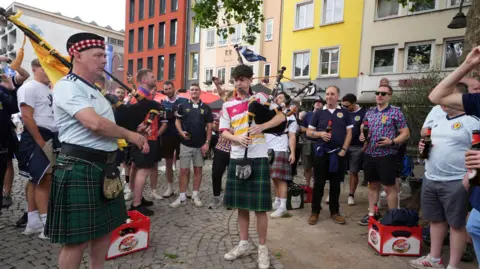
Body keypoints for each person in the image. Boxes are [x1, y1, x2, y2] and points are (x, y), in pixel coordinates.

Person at [45, 32, 149, 269]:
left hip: (105, 168)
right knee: (76, 241)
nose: (104, 60)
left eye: (104, 55)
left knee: (104, 231)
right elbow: (94, 123)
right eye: (98, 55)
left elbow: (108, 124)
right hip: (80, 167)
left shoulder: (94, 91)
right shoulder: (67, 86)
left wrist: (135, 125)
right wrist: (130, 135)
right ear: (77, 55)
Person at [219, 65, 286, 269]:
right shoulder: (227, 105)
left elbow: (281, 117)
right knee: (241, 206)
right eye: (236, 79)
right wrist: (235, 137)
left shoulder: (260, 98)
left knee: (260, 208)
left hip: (258, 157)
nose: (239, 82)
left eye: (243, 79)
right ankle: (243, 244)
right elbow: (223, 131)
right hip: (237, 157)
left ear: (250, 80)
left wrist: (262, 126)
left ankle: (262, 250)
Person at [408, 83, 471, 269]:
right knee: (436, 220)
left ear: (461, 99)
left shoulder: (473, 120)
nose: (443, 99)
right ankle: (434, 259)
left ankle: (453, 266)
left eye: (449, 96)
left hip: (457, 180)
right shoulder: (438, 118)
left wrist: (471, 179)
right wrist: (423, 149)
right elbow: (428, 142)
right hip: (432, 177)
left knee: (457, 225)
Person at [427, 46, 480, 261]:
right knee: (474, 225)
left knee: (463, 224)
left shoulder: (470, 119)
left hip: (456, 179)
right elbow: (436, 96)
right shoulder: (477, 102)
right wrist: (468, 65)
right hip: (437, 178)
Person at [16, 59, 57, 239]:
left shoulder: (47, 89)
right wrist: (40, 141)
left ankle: (33, 223)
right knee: (44, 180)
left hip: (47, 136)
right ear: (34, 69)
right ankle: (46, 225)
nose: (49, 70)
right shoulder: (29, 87)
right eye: (44, 67)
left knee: (36, 180)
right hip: (38, 137)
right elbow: (26, 116)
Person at [357, 85, 410, 226]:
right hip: (370, 154)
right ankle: (372, 214)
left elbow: (405, 133)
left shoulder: (395, 112)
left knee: (389, 187)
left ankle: (393, 217)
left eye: (383, 93)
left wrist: (392, 141)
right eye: (378, 93)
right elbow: (363, 127)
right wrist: (362, 135)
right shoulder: (369, 112)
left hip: (387, 155)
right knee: (372, 186)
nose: (380, 95)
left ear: (389, 96)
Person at [306, 86, 352, 225]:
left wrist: (344, 149)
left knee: (335, 184)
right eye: (327, 94)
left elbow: (349, 133)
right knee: (318, 183)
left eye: (332, 94)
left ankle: (335, 211)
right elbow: (309, 132)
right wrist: (320, 134)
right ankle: (315, 211)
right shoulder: (319, 113)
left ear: (338, 96)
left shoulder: (344, 113)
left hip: (338, 153)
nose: (329, 96)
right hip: (321, 153)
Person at [170, 83, 213, 208]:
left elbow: (209, 128)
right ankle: (182, 196)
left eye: (196, 90)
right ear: (189, 92)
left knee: (198, 170)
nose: (194, 91)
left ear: (200, 92)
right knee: (183, 170)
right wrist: (181, 132)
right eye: (192, 90)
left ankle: (195, 195)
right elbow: (177, 122)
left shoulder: (206, 108)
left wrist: (207, 143)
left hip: (200, 145)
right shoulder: (182, 106)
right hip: (185, 144)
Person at [128, 69, 164, 216]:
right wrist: (145, 141)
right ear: (143, 80)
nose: (155, 78)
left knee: (139, 169)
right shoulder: (138, 97)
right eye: (152, 77)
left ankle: (138, 198)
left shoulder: (146, 96)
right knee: (143, 170)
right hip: (145, 139)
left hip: (150, 138)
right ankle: (136, 204)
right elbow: (134, 121)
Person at [1, 55, 30, 210]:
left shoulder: (10, 79)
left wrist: (13, 64)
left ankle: (6, 194)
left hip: (5, 128)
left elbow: (25, 75)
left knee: (6, 161)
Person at [266, 92, 298, 218]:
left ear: (285, 101)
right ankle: (277, 201)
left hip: (280, 149)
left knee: (281, 179)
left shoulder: (290, 117)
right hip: (268, 149)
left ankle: (283, 207)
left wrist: (293, 153)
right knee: (274, 177)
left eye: (280, 97)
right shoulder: (272, 113)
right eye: (277, 97)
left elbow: (292, 136)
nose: (277, 99)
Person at [160, 81, 189, 198]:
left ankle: (187, 188)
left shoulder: (183, 101)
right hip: (167, 135)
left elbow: (187, 117)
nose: (168, 91)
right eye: (166, 89)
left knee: (185, 163)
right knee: (168, 163)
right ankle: (170, 187)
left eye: (169, 88)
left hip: (181, 134)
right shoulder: (162, 103)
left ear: (174, 88)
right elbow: (162, 119)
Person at [208, 90, 233, 210]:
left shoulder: (242, 113)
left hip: (235, 149)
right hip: (221, 148)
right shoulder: (222, 112)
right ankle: (216, 197)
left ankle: (229, 199)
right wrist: (214, 126)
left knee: (232, 176)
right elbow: (218, 129)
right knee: (216, 173)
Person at [341, 93, 366, 206]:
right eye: (343, 106)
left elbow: (366, 129)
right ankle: (334, 193)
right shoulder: (342, 112)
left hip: (356, 147)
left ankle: (351, 195)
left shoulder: (363, 113)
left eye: (347, 106)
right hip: (342, 145)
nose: (345, 108)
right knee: (338, 170)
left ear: (354, 103)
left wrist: (364, 138)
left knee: (353, 171)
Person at [298, 98, 324, 187]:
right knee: (307, 166)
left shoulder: (324, 115)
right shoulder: (308, 115)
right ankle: (307, 186)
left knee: (318, 167)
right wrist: (311, 130)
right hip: (307, 142)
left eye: (320, 102)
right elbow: (301, 128)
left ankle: (317, 186)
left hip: (319, 143)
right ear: (313, 104)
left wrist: (315, 132)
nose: (318, 103)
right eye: (316, 102)